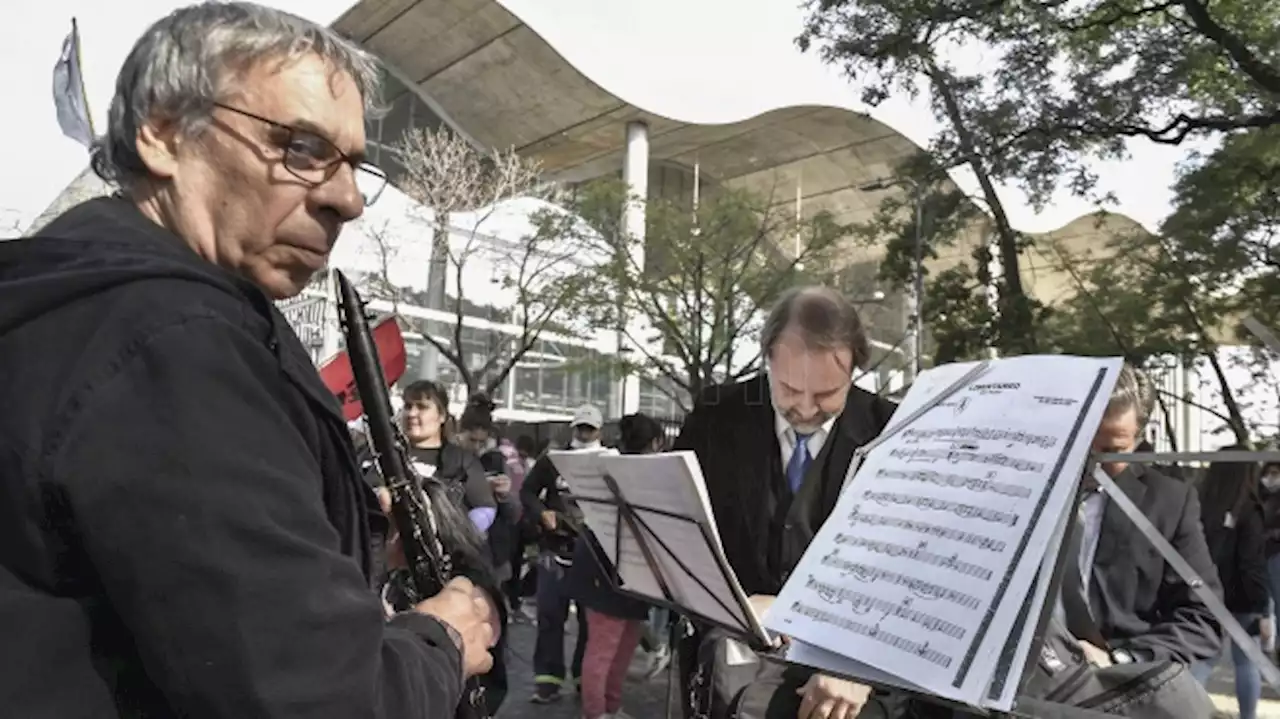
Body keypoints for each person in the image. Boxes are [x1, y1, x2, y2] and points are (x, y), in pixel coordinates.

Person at [0, 4, 496, 716]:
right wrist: (440, 641)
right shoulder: (172, 344)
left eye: (353, 163)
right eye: (301, 147)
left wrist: (331, 540)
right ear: (165, 133)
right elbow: (317, 697)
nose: (348, 199)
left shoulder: (86, 296)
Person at [674, 286, 898, 719]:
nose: (808, 409)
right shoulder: (716, 416)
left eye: (829, 392)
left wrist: (856, 656)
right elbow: (680, 536)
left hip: (847, 686)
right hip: (730, 674)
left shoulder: (890, 430)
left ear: (855, 368)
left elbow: (909, 568)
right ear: (768, 358)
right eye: (791, 389)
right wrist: (734, 604)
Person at [568, 413, 667, 719]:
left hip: (627, 572)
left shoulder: (609, 468)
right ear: (655, 443)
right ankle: (596, 712)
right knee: (605, 648)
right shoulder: (637, 475)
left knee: (621, 647)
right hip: (608, 570)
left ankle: (610, 706)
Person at [520, 404, 605, 703]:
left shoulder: (608, 461)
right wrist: (542, 513)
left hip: (592, 552)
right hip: (553, 548)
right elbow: (527, 491)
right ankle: (547, 681)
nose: (584, 433)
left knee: (589, 620)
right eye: (580, 428)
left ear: (599, 431)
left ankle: (586, 679)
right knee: (550, 615)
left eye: (590, 429)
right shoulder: (552, 460)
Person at [1191, 449, 1270, 719]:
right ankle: (1247, 717)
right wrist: (1263, 609)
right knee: (1246, 662)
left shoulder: (1199, 504)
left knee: (1202, 661)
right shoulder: (1249, 509)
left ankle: (1187, 712)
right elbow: (1252, 563)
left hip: (1206, 593)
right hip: (1242, 598)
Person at [399, 381, 498, 533]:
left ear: (442, 415)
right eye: (408, 406)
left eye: (422, 407)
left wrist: (456, 537)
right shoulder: (378, 455)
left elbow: (485, 508)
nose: (412, 413)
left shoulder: (462, 461)